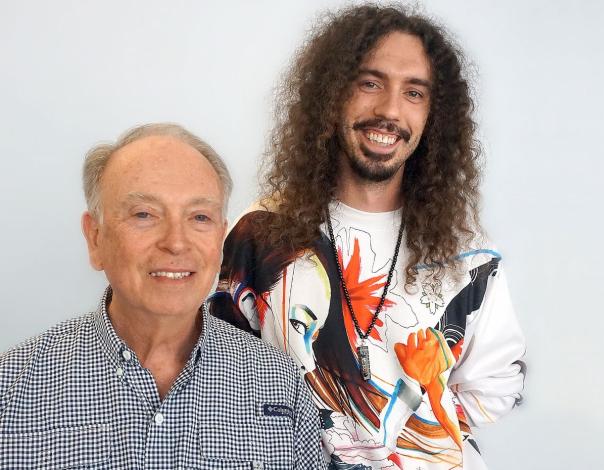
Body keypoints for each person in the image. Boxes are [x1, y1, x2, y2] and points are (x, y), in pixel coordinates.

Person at [210, 5, 526, 469]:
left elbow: (497, 385)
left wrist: (418, 428)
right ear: (331, 93)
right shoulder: (262, 233)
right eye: (370, 83)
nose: (390, 110)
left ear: (434, 115)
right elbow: (221, 377)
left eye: (414, 93)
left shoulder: (466, 253)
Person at [0, 123, 326, 469]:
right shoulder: (4, 392)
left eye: (199, 217)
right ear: (95, 238)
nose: (175, 242)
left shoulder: (279, 384)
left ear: (221, 238)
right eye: (144, 215)